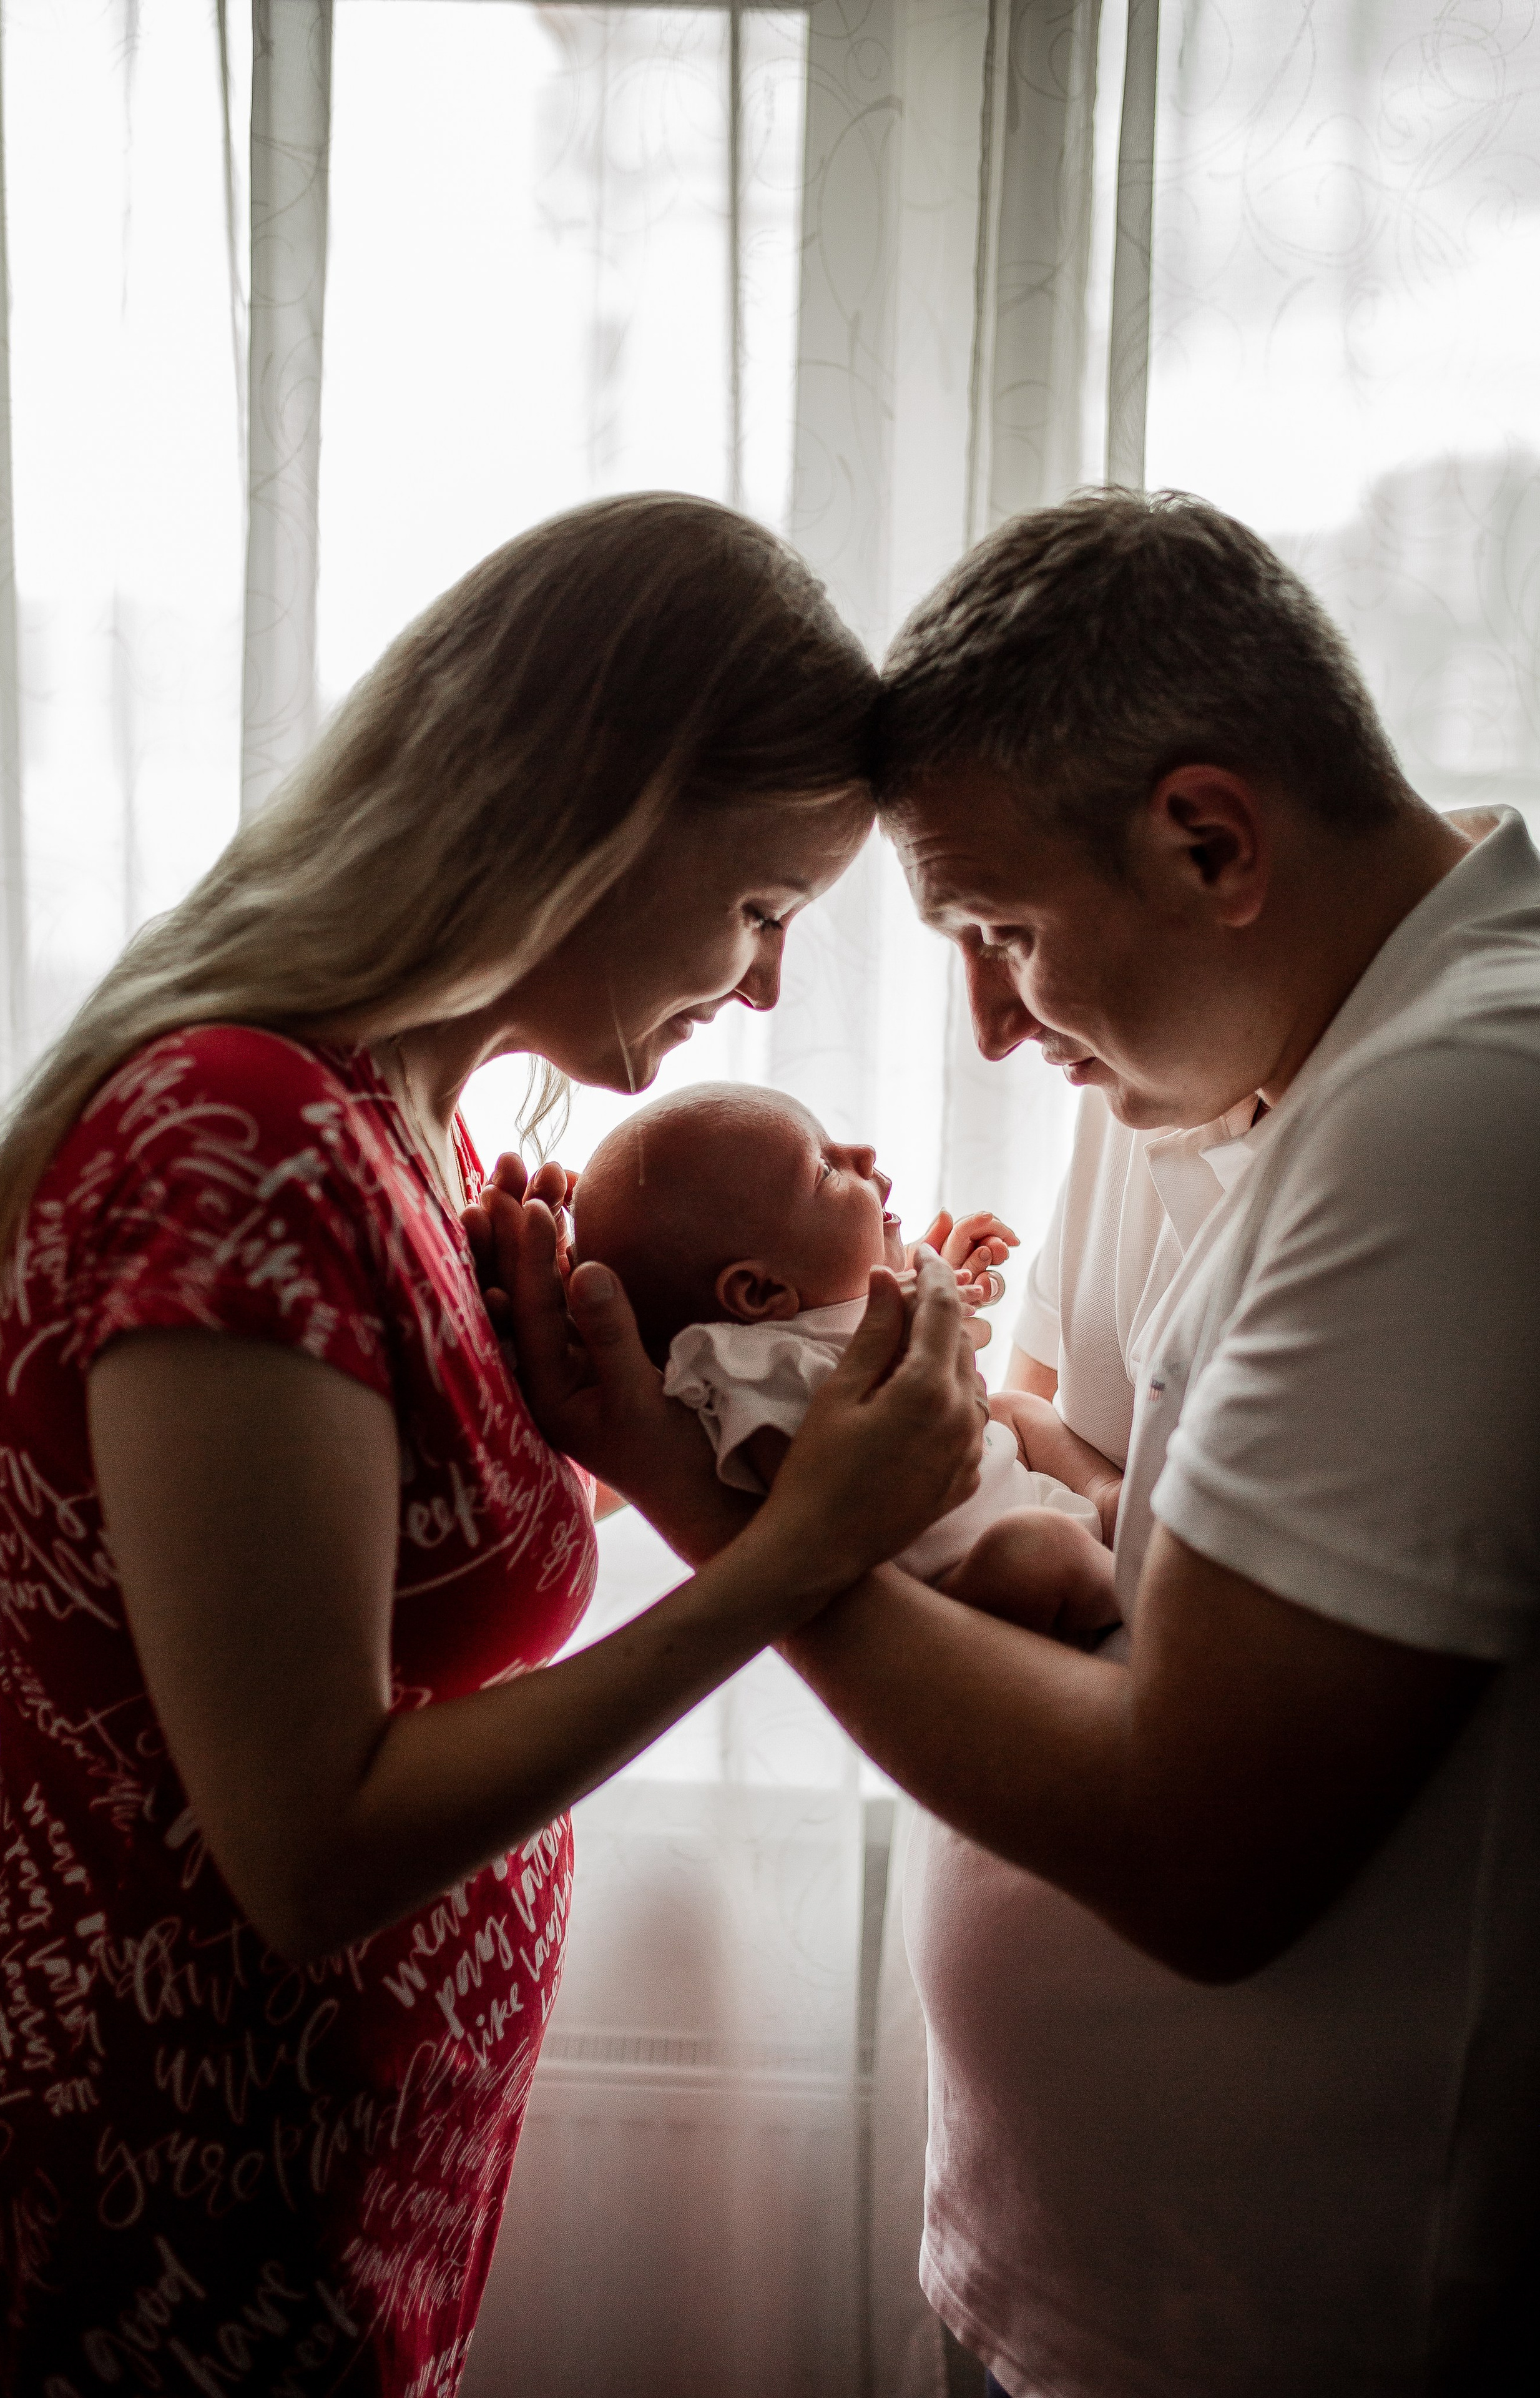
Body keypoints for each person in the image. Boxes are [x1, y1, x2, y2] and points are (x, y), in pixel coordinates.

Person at [490, 489, 1540, 2396]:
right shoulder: (1208, 1057)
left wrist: (705, 1505)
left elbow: (1190, 1844)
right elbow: (1032, 1496)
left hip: (1303, 2326)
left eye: (999, 931)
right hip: (1072, 2270)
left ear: (1206, 838)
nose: (986, 1028)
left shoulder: (1463, 1113)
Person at [0, 494, 989, 2396]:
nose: (763, 981)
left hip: (351, 2182)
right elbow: (313, 1845)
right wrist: (780, 1560)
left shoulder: (411, 1131)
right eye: (761, 905)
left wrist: (617, 1435)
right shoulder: (235, 1135)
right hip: (191, 2199)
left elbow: (380, 1568)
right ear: (603, 814)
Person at [571, 1081, 1117, 1637]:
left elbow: (864, 1326)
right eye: (825, 1171)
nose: (862, 1155)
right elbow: (820, 1491)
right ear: (758, 1292)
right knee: (1036, 1550)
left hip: (1022, 1501)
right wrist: (928, 1343)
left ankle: (1104, 1495)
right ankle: (1130, 1589)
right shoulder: (753, 1367)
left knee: (1016, 1407)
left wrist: (935, 1288)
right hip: (966, 1592)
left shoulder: (813, 1318)